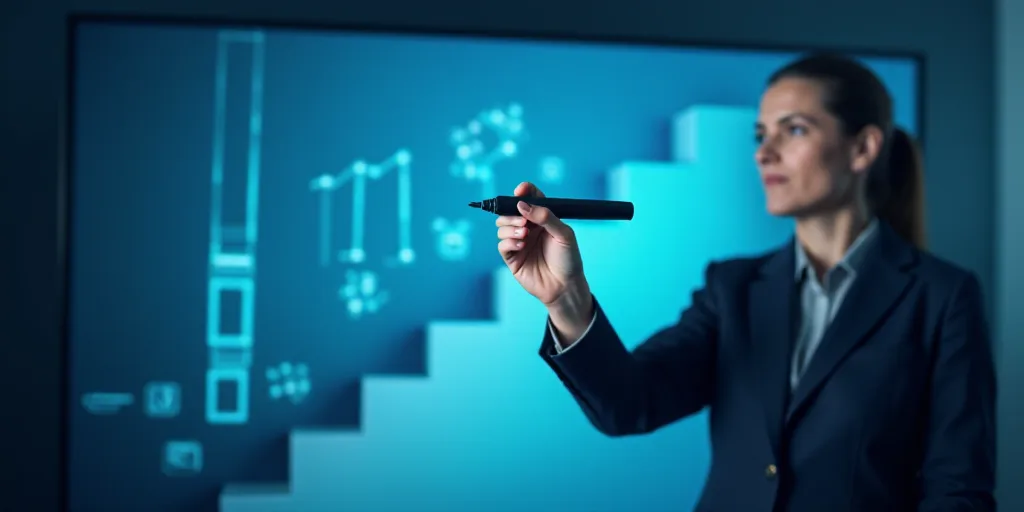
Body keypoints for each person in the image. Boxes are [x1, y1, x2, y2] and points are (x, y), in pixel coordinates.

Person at [495, 53, 996, 511]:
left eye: (793, 130)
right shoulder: (732, 287)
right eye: (760, 135)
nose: (764, 153)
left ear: (862, 148)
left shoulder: (942, 297)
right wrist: (566, 299)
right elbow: (628, 405)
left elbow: (958, 490)